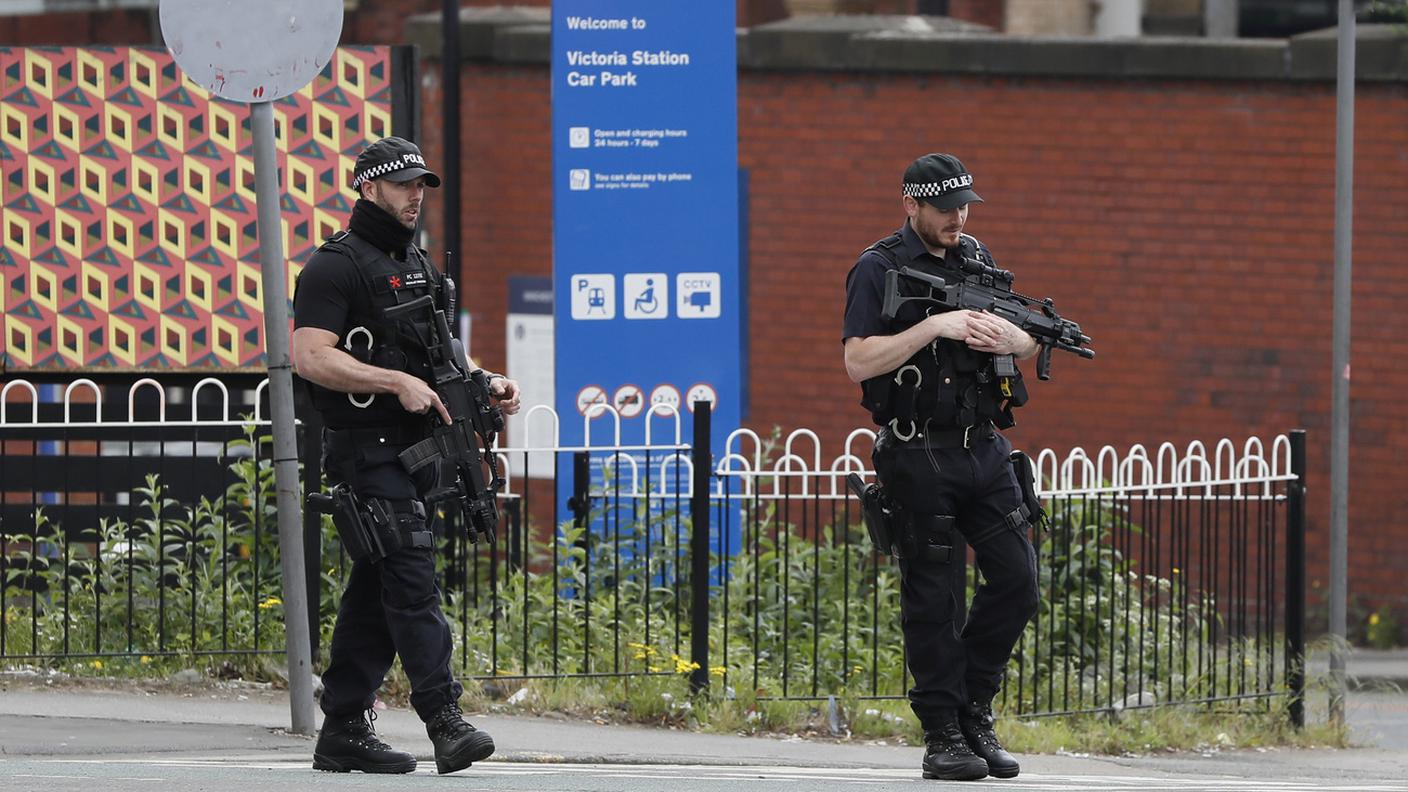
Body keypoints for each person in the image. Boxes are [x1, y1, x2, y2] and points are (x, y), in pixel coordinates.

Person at [292, 136, 522, 775]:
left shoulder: (418, 265)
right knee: (413, 579)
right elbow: (311, 355)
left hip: (415, 455)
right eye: (402, 185)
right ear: (367, 188)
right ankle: (444, 720)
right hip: (366, 452)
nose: (415, 195)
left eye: (421, 185)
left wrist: (486, 381)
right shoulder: (333, 267)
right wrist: (392, 382)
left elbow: (442, 352)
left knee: (379, 586)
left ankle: (341, 729)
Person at [842, 153, 1040, 781]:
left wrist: (1019, 342)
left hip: (983, 445)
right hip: (916, 448)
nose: (960, 217)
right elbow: (859, 361)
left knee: (1017, 580)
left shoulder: (975, 257)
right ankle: (943, 734)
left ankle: (974, 707)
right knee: (935, 596)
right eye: (947, 207)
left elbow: (1027, 334)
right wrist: (934, 326)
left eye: (965, 206)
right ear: (912, 206)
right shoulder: (877, 267)